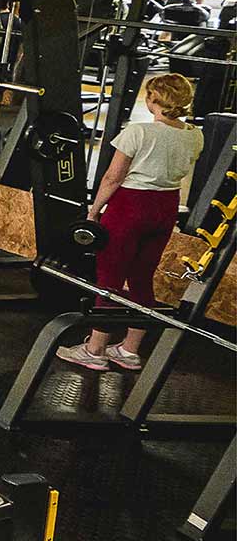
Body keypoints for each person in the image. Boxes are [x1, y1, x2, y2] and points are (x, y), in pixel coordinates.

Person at [57, 72, 203, 371]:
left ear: (153, 100)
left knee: (109, 276)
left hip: (131, 205)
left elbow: (113, 177)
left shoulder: (138, 132)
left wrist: (94, 211)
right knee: (141, 276)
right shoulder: (194, 135)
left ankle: (95, 350)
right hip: (166, 207)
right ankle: (129, 350)